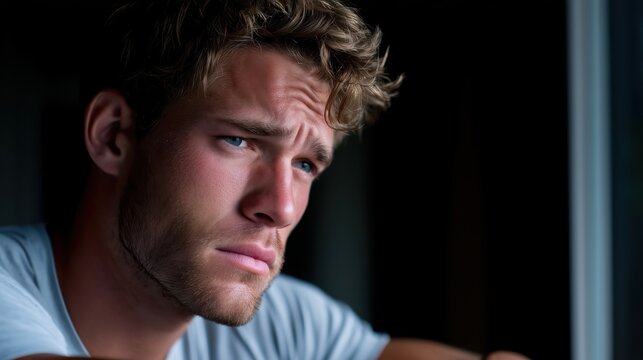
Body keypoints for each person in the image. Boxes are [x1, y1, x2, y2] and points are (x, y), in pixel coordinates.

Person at [0, 0, 529, 359]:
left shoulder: (288, 323)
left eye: (305, 165)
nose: (281, 207)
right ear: (114, 135)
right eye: (240, 141)